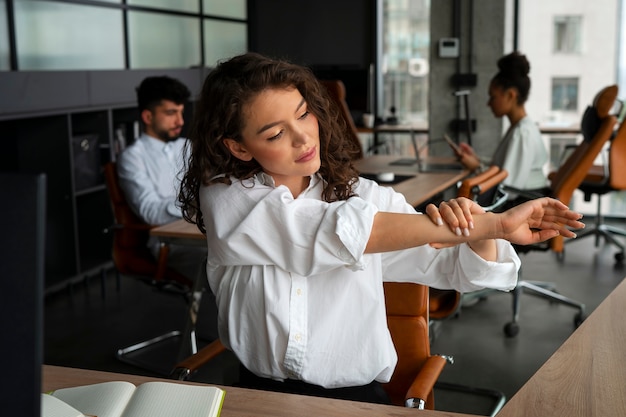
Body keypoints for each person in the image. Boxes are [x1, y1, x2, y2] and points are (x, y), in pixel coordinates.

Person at [178, 52, 584, 403]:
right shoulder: (226, 197)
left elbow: (455, 268)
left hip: (355, 399)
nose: (304, 137)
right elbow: (323, 232)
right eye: (277, 132)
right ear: (238, 146)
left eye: (304, 113)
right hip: (257, 396)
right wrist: (492, 222)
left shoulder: (367, 197)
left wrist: (477, 231)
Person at [117, 76, 206, 285]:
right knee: (227, 261)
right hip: (170, 244)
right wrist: (194, 200)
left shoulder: (188, 146)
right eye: (171, 113)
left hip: (200, 230)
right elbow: (150, 212)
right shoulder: (133, 157)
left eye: (181, 112)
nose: (180, 121)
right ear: (148, 116)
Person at [455, 51, 550, 208]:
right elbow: (503, 168)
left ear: (511, 95)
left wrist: (476, 168)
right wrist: (477, 160)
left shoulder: (522, 133)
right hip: (526, 199)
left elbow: (507, 187)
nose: (489, 103)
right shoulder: (520, 128)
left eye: (493, 97)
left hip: (525, 203)